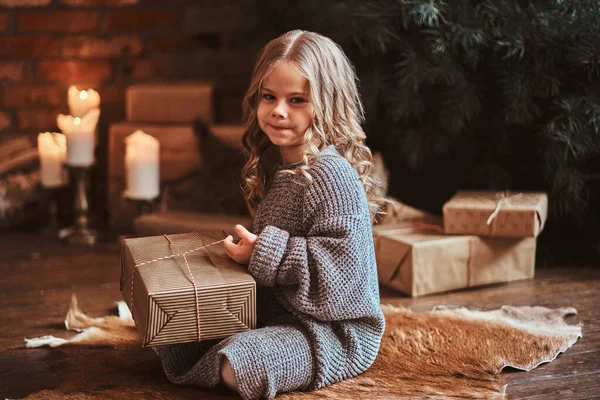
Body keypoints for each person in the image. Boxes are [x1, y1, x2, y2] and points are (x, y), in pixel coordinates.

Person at [154, 29, 386, 400]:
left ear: (327, 104)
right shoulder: (281, 167)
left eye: (296, 100)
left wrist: (265, 251)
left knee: (238, 366)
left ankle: (249, 349)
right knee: (174, 332)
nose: (279, 110)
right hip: (281, 314)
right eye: (269, 97)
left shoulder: (332, 175)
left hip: (330, 331)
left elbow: (343, 278)